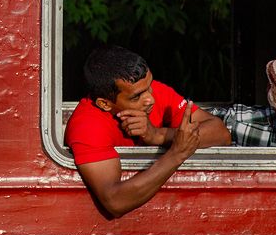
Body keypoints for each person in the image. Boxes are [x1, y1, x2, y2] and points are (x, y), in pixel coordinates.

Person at [65, 46, 231, 218]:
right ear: (105, 104)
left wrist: (157, 135)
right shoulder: (87, 125)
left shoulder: (150, 90)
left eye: (149, 86)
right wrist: (176, 153)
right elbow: (115, 201)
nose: (150, 99)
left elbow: (221, 134)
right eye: (136, 97)